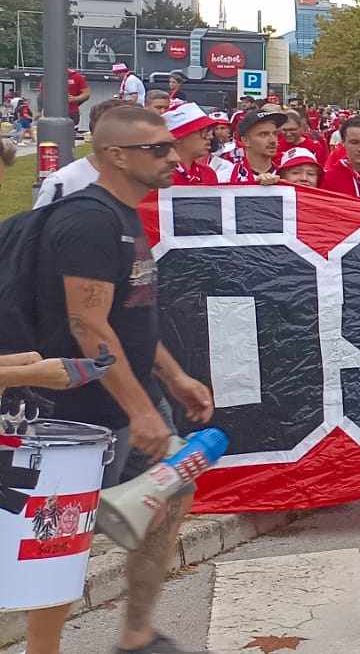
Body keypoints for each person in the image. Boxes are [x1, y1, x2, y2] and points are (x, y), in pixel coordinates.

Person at [22, 105, 216, 654]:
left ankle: (137, 634)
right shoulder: (88, 220)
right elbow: (88, 324)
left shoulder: (125, 214)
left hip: (120, 400)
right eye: (157, 149)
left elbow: (128, 314)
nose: (173, 157)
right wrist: (141, 411)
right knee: (60, 542)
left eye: (171, 145)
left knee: (174, 486)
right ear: (114, 156)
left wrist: (174, 377)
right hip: (73, 413)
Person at [162, 102, 224, 186]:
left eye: (209, 131)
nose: (210, 137)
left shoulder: (207, 173)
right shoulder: (158, 175)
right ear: (178, 136)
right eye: (203, 132)